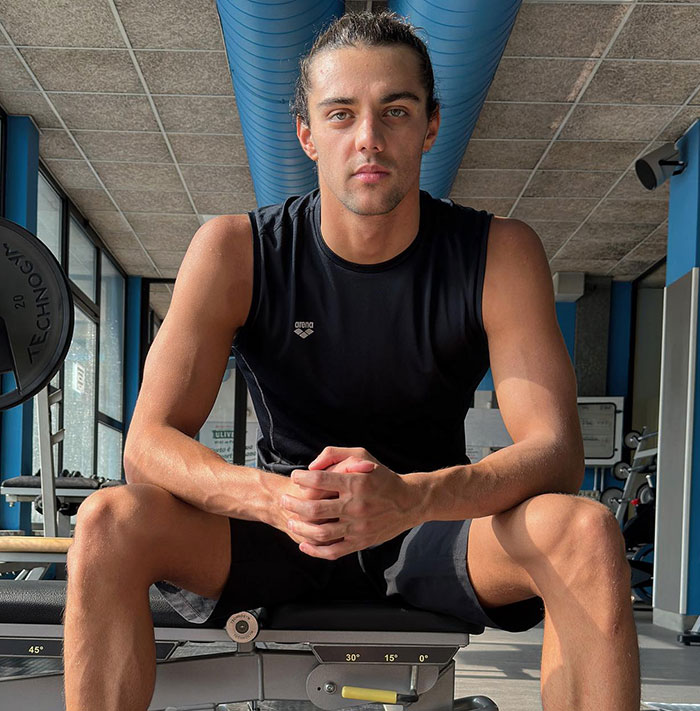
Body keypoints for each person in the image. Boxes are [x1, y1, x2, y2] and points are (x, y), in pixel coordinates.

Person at [63, 10, 641, 711]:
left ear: (429, 125)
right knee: (106, 523)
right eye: (341, 114)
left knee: (586, 532)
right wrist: (277, 499)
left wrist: (413, 497)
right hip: (283, 528)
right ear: (308, 133)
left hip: (432, 527)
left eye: (395, 111)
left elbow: (556, 451)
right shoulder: (234, 251)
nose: (368, 138)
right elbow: (147, 447)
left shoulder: (499, 253)